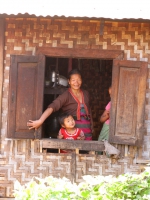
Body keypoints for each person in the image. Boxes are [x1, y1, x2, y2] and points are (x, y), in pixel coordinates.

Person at [27, 68, 93, 140]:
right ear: (69, 81)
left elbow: (89, 110)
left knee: (87, 150)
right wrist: (40, 121)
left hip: (87, 129)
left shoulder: (86, 94)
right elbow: (52, 107)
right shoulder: (66, 95)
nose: (76, 83)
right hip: (72, 133)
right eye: (73, 80)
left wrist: (92, 125)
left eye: (79, 80)